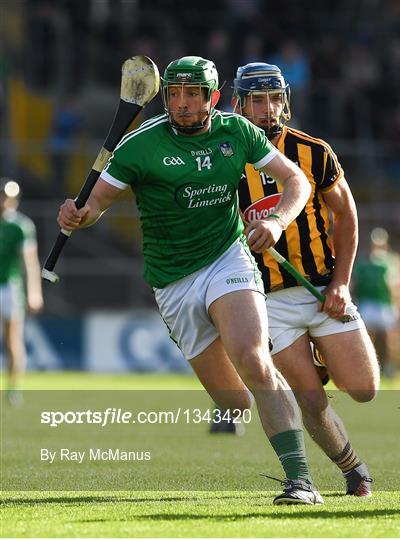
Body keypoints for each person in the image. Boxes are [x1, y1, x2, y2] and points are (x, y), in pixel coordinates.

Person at [57, 56, 323, 505]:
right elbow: (97, 203)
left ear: (212, 98)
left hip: (227, 258)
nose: (181, 104)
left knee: (254, 359)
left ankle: (300, 481)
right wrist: (78, 215)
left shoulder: (236, 132)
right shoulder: (138, 145)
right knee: (235, 403)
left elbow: (295, 180)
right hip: (172, 280)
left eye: (192, 94)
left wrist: (277, 221)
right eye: (174, 94)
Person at [229, 62, 379, 497]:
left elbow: (346, 217)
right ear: (239, 104)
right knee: (310, 400)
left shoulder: (313, 152)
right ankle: (353, 469)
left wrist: (341, 283)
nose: (267, 109)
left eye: (274, 99)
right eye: (257, 100)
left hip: (321, 288)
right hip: (268, 300)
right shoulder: (223, 161)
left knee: (364, 389)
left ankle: (321, 360)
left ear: (286, 102)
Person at [0, 178, 44, 405]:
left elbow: (30, 263)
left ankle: (13, 389)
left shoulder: (20, 226)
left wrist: (34, 292)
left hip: (9, 287)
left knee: (12, 340)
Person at [353, 228, 400, 376]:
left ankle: (392, 368)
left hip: (386, 304)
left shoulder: (391, 261)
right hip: (368, 303)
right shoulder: (363, 263)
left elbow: (397, 285)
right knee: (367, 337)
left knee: (392, 338)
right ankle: (368, 368)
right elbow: (354, 283)